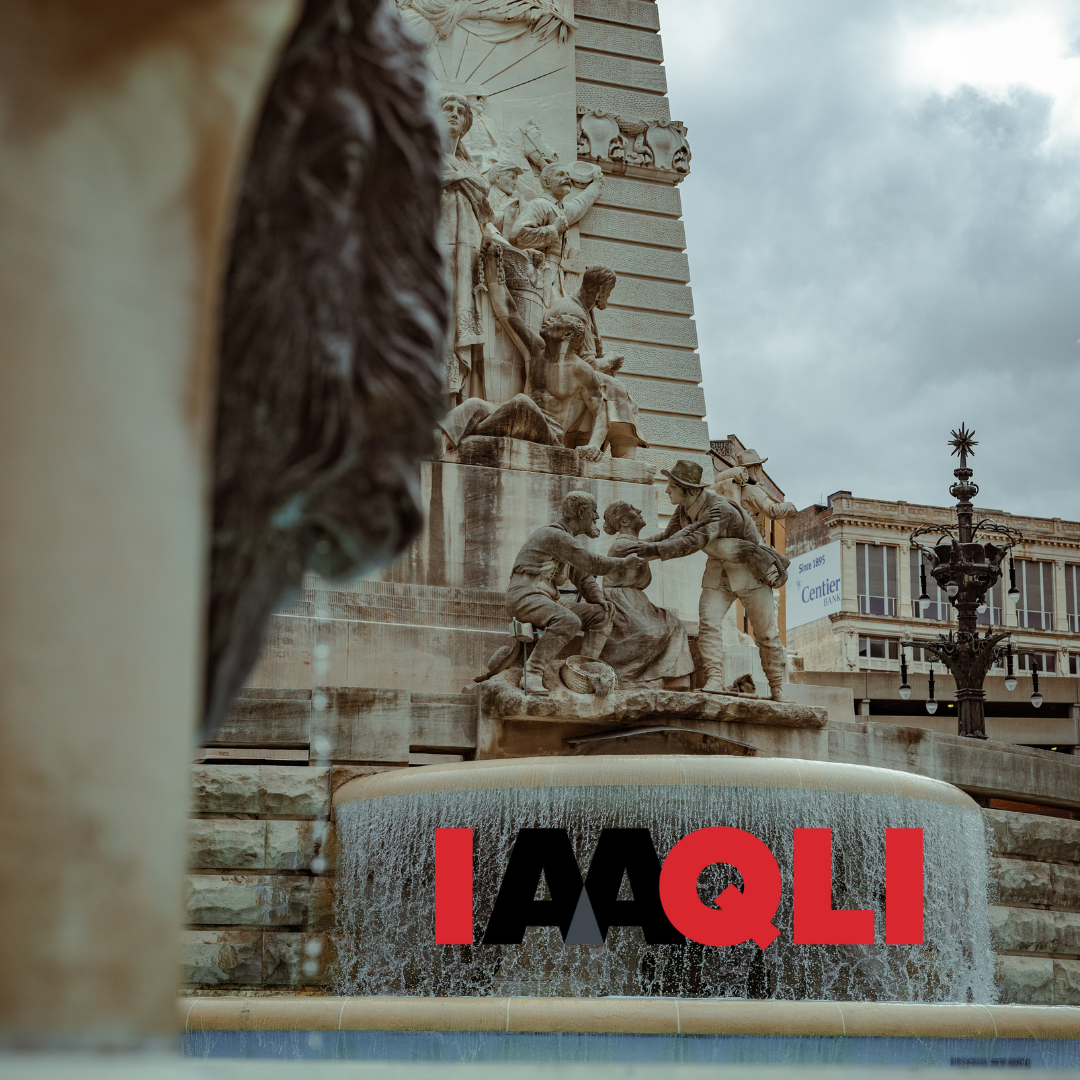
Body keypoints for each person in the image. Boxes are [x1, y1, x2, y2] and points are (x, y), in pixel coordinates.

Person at [626, 459, 790, 701]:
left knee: (766, 634)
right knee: (709, 623)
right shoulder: (683, 509)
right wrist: (638, 547)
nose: (667, 490)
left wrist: (647, 552)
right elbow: (669, 535)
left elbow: (691, 541)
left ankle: (777, 689)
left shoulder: (719, 508)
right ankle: (714, 678)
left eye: (671, 485)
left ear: (687, 489)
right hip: (718, 570)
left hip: (749, 571)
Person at [506, 490, 643, 694]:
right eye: (594, 511)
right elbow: (594, 564)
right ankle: (532, 673)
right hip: (525, 597)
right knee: (569, 621)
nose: (597, 517)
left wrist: (599, 600)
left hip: (547, 601)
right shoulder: (555, 535)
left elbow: (583, 575)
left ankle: (585, 669)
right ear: (581, 512)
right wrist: (624, 563)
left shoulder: (566, 541)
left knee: (603, 615)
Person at [544, 265, 648, 459]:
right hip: (562, 376)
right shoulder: (574, 311)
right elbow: (586, 365)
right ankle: (624, 455)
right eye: (609, 291)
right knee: (615, 388)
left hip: (570, 373)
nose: (609, 295)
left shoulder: (585, 309)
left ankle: (601, 447)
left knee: (611, 387)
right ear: (601, 289)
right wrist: (609, 361)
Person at [599, 501, 694, 687]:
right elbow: (663, 547)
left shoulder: (636, 543)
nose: (640, 509)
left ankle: (674, 680)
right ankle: (625, 675)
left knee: (675, 624)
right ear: (625, 521)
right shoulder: (622, 546)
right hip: (621, 602)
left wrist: (683, 507)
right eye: (634, 509)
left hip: (635, 600)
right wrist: (692, 538)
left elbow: (665, 537)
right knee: (650, 632)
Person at [508, 161, 603, 300]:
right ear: (546, 182)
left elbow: (579, 206)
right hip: (538, 277)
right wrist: (554, 230)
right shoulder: (539, 204)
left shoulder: (560, 210)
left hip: (556, 279)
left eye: (568, 175)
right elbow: (517, 237)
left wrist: (596, 185)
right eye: (560, 175)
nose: (567, 178)